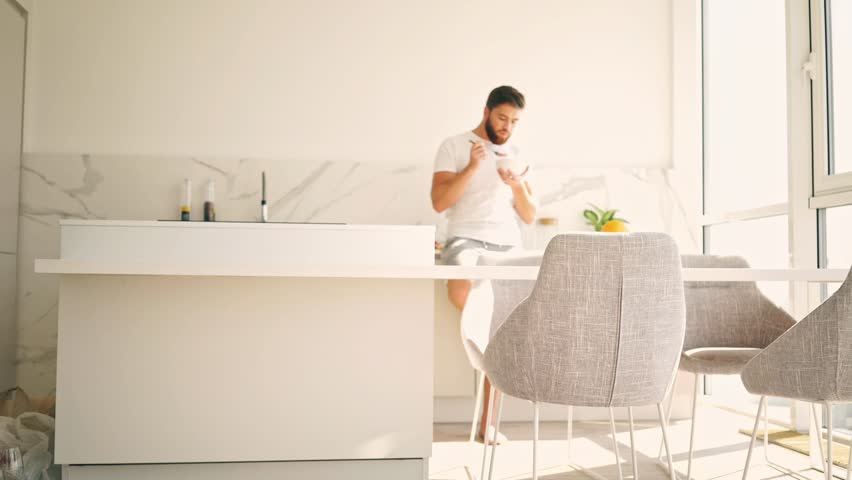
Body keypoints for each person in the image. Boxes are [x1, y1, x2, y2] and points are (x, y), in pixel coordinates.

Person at [430, 85, 536, 443]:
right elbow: (440, 202)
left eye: (514, 122)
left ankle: (487, 421)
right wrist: (474, 166)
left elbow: (530, 214)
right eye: (502, 118)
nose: (507, 127)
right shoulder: (455, 146)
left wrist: (518, 185)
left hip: (507, 242)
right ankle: (483, 339)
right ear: (487, 110)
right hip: (465, 238)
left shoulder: (516, 153)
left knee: (497, 320)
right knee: (465, 292)